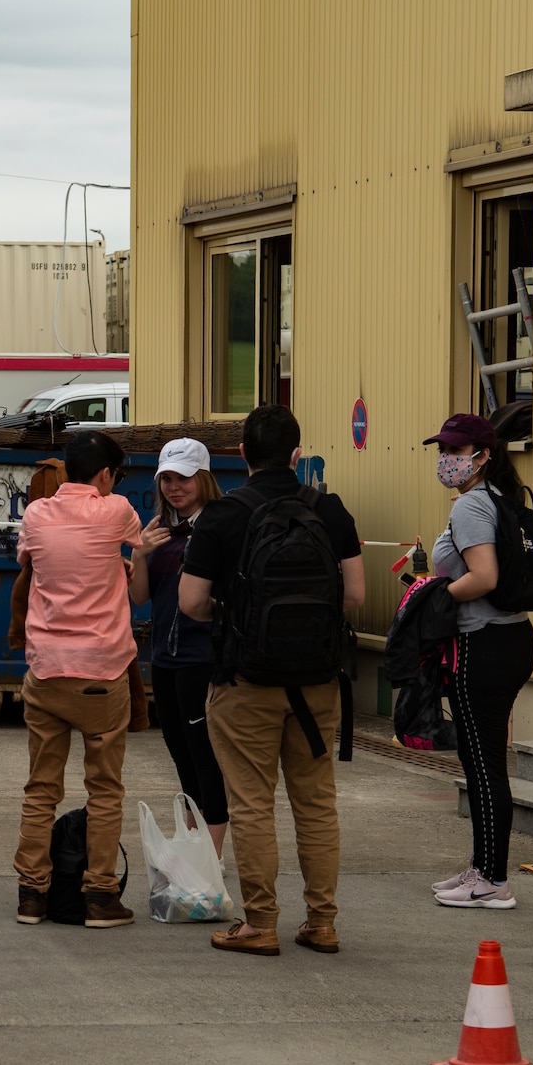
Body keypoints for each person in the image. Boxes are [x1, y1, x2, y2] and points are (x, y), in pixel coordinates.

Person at [178, 404, 365, 956]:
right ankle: (322, 922)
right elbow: (354, 597)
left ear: (241, 454)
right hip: (317, 683)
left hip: (245, 682)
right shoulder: (330, 510)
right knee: (316, 802)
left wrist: (235, 619)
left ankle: (259, 923)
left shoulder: (223, 515)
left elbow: (190, 601)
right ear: (297, 454)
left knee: (252, 803)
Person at [10, 429, 144, 929]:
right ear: (106, 474)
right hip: (101, 673)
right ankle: (100, 896)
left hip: (45, 670)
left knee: (41, 789)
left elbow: (28, 562)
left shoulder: (37, 514)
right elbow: (139, 547)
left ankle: (31, 894)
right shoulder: (117, 510)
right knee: (104, 789)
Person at [425, 412, 533, 910]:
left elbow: (483, 577)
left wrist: (437, 596)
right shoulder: (503, 499)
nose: (447, 459)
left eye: (455, 450)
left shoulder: (472, 504)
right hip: (512, 640)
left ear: (483, 455)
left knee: (484, 763)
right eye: (443, 449)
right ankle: (482, 867)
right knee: (482, 760)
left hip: (483, 643)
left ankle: (492, 879)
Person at [128, 438, 230, 857]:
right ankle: (194, 840)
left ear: (203, 479)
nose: (175, 487)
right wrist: (138, 555)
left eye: (184, 478)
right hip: (165, 658)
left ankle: (212, 855)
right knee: (179, 752)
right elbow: (140, 598)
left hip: (203, 655)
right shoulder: (160, 531)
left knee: (204, 755)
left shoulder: (219, 526)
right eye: (167, 478)